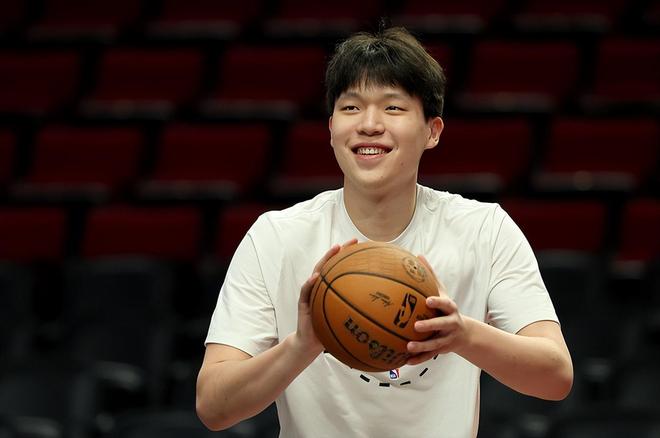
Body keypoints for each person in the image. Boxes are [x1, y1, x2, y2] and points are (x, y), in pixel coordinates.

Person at [196, 26, 573, 437]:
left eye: (393, 107)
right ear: (331, 128)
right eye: (351, 107)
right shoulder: (276, 237)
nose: (370, 124)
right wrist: (301, 345)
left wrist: (462, 335)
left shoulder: (485, 230)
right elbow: (212, 405)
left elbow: (556, 376)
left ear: (433, 131)